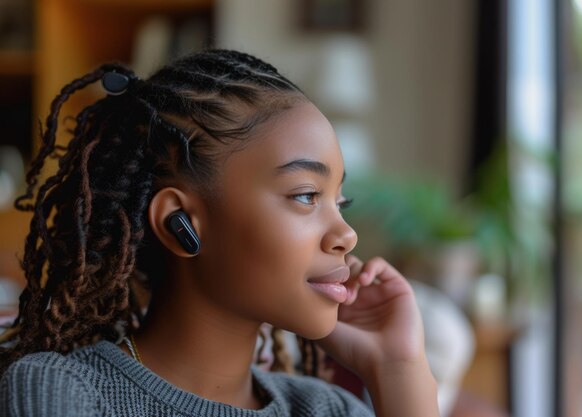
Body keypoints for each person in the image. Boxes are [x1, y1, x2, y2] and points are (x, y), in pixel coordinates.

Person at [0, 49, 439, 416]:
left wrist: (398, 369)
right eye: (307, 195)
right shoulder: (64, 393)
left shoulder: (326, 410)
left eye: (339, 202)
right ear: (182, 223)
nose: (347, 235)